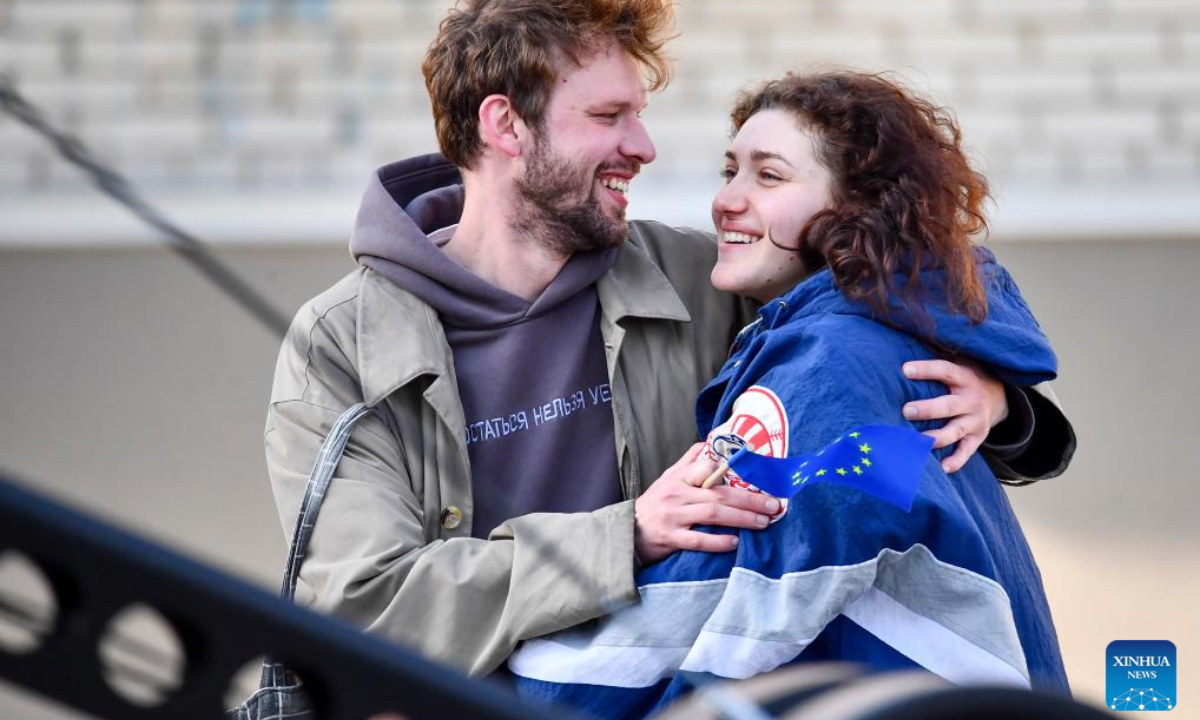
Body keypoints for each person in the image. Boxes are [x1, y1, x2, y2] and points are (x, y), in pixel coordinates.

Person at [264, 0, 1074, 677]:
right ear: (506, 125)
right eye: (609, 116)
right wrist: (626, 535)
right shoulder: (342, 345)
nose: (643, 148)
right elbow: (361, 608)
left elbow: (894, 275)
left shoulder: (695, 278)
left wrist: (998, 402)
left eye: (639, 116)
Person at [505, 70, 1070, 718]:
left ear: (855, 209)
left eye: (768, 176)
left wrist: (534, 681)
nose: (726, 201)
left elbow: (756, 586)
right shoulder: (890, 345)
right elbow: (864, 512)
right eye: (730, 171)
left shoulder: (825, 366)